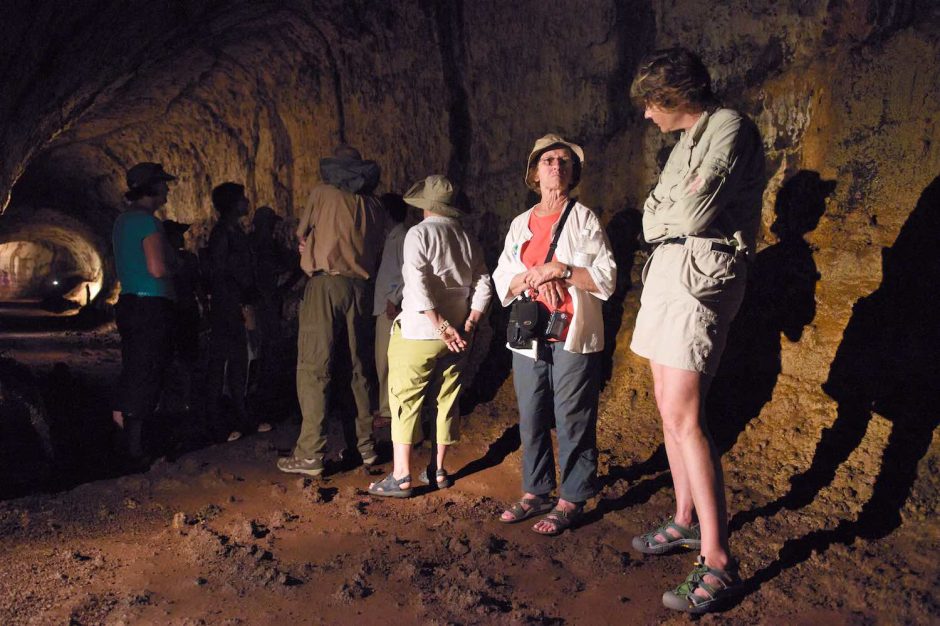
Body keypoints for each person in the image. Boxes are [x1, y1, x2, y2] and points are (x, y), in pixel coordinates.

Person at [627, 47, 765, 614]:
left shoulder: (728, 127)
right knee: (667, 406)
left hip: (699, 276)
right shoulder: (685, 143)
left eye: (651, 104)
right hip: (668, 272)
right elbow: (650, 217)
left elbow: (684, 218)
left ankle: (718, 560)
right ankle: (684, 520)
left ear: (674, 97)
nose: (646, 116)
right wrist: (668, 214)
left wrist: (670, 215)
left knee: (686, 416)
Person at [492, 134, 616, 535]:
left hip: (571, 332)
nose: (556, 167)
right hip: (529, 333)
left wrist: (560, 270)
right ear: (534, 172)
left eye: (564, 161)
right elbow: (502, 277)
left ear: (572, 172)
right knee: (530, 413)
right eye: (548, 161)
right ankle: (536, 490)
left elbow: (606, 278)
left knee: (573, 415)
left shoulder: (585, 219)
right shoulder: (519, 224)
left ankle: (573, 496)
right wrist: (532, 277)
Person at [368, 175, 492, 497]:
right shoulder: (468, 238)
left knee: (405, 400)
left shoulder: (418, 234)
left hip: (420, 333)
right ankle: (437, 471)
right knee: (447, 400)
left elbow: (418, 286)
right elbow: (483, 283)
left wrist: (439, 325)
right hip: (459, 335)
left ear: (425, 207)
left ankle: (402, 475)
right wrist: (471, 321)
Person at [278, 145, 385, 477]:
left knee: (315, 368)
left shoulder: (323, 193)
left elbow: (300, 235)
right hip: (362, 289)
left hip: (326, 285)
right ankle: (366, 447)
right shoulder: (374, 203)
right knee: (358, 369)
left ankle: (310, 453)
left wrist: (308, 247)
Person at [111, 162, 178, 468]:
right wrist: (180, 267)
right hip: (151, 305)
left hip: (129, 303)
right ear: (151, 188)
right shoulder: (149, 224)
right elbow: (157, 268)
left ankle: (127, 438)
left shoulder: (122, 221)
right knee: (148, 372)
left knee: (134, 368)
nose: (167, 189)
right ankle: (136, 451)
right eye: (163, 184)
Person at [205, 182, 258, 443]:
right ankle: (219, 418)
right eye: (242, 198)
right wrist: (235, 299)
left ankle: (237, 413)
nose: (247, 202)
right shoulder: (223, 233)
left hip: (233, 301)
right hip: (228, 304)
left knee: (238, 360)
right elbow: (219, 270)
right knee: (225, 361)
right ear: (232, 203)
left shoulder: (233, 231)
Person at [371, 193, 409, 426]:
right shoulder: (393, 238)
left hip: (392, 309)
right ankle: (386, 406)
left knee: (388, 360)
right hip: (387, 306)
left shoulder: (402, 237)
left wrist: (394, 298)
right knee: (382, 360)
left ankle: (390, 411)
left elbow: (409, 271)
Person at [163, 219, 203, 414]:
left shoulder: (188, 259)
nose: (180, 238)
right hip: (172, 312)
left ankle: (184, 400)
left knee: (186, 359)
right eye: (175, 234)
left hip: (184, 311)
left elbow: (198, 285)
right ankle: (170, 401)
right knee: (171, 358)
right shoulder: (163, 260)